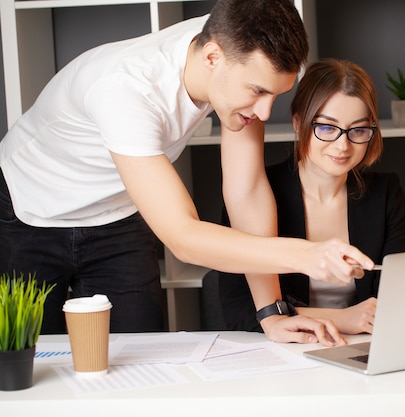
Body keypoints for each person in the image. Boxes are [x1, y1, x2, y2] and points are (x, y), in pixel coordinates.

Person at [0, 0, 374, 342]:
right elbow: (182, 237)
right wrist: (306, 255)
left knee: (141, 358)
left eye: (275, 95)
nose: (264, 113)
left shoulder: (230, 45)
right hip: (29, 210)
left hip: (118, 210)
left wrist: (271, 312)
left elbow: (246, 192)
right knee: (27, 361)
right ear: (212, 57)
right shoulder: (125, 90)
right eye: (258, 91)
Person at [213, 58, 405, 336]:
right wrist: (340, 319)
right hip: (282, 349)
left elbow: (396, 298)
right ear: (299, 122)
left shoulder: (385, 192)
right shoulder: (255, 192)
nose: (342, 145)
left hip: (362, 345)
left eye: (358, 130)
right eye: (327, 128)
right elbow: (240, 309)